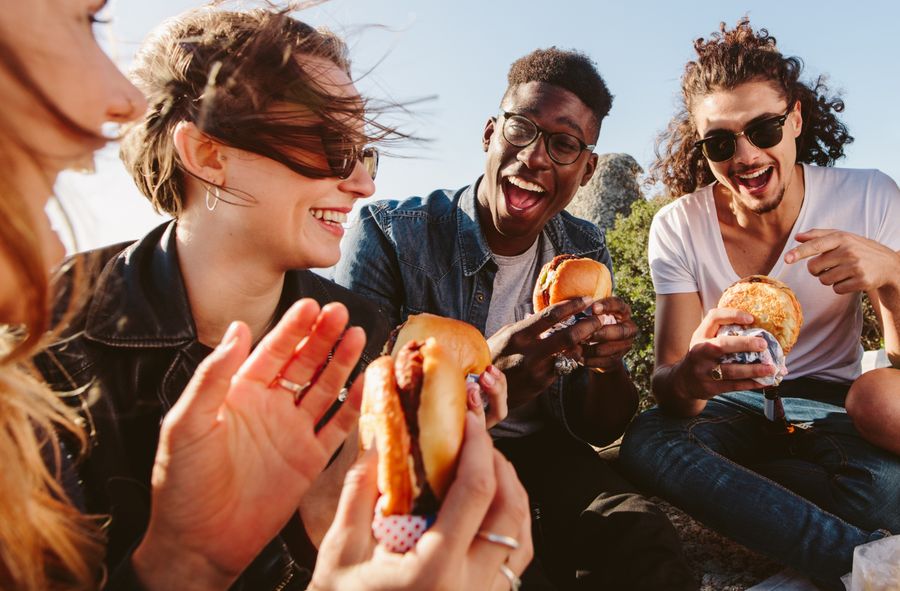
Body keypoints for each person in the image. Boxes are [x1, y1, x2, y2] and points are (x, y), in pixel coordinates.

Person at [0, 1, 364, 588]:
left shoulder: (361, 336)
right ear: (208, 155)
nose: (364, 181)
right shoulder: (45, 349)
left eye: (361, 147)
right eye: (328, 140)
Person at [335, 47, 696, 590]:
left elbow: (602, 427)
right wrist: (486, 375)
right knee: (513, 573)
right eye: (521, 130)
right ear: (490, 134)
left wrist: (606, 366)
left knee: (644, 541)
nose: (536, 157)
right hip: (434, 465)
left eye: (565, 143)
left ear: (587, 167)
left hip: (546, 452)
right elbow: (353, 412)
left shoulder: (584, 247)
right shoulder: (390, 233)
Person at [618, 18, 900, 590]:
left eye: (765, 128)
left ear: (794, 118)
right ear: (702, 148)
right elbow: (666, 383)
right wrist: (694, 375)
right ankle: (863, 565)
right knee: (649, 441)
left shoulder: (868, 195)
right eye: (721, 142)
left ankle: (749, 495)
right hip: (730, 407)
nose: (746, 156)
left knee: (885, 492)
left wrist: (892, 276)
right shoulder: (679, 225)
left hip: (830, 403)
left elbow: (897, 364)